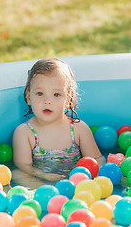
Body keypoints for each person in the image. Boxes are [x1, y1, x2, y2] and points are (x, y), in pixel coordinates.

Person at [13, 58, 104, 188]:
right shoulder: (25, 132)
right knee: (17, 174)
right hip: (41, 182)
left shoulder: (78, 129)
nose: (47, 101)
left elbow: (96, 159)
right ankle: (45, 192)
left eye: (56, 94)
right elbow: (23, 166)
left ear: (68, 100)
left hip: (76, 182)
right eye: (40, 93)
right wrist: (44, 176)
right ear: (28, 97)